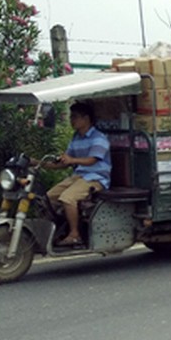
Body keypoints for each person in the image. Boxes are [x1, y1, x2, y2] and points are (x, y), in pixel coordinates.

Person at [44, 102, 111, 246]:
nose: (71, 121)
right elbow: (65, 162)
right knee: (48, 198)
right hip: (78, 177)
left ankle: (75, 234)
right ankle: (57, 232)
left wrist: (72, 159)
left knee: (68, 198)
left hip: (96, 178)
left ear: (86, 118)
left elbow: (92, 160)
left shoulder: (98, 138)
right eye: (71, 117)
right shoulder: (76, 138)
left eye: (75, 117)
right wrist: (39, 163)